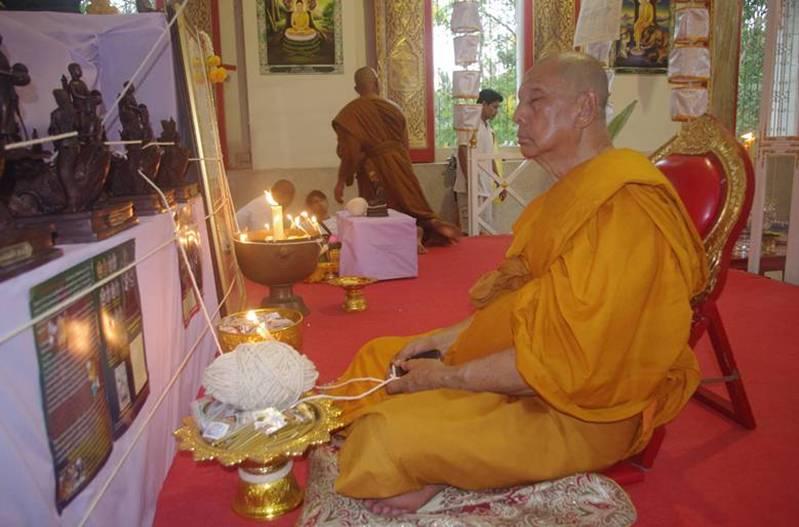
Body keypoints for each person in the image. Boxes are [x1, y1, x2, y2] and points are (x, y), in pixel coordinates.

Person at [327, 52, 708, 517]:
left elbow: (569, 362)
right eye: (520, 101)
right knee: (380, 357)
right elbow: (522, 305)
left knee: (384, 435)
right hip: (530, 370)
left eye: (536, 100)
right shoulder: (572, 193)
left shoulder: (623, 210)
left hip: (582, 410)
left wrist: (447, 378)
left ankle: (437, 467)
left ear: (585, 109)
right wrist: (439, 341)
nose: (517, 114)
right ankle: (443, 446)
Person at [332, 67, 460, 248]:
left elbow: (350, 152)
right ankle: (427, 224)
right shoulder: (395, 108)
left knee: (381, 210)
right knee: (409, 203)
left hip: (373, 169)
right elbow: (404, 145)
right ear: (377, 84)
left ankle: (403, 237)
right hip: (399, 163)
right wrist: (403, 168)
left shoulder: (350, 113)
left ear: (356, 89)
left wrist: (341, 181)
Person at [454, 88, 503, 234]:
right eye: (494, 107)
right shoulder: (469, 124)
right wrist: (470, 180)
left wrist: (499, 180)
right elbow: (462, 151)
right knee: (469, 230)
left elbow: (490, 156)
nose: (496, 111)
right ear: (483, 104)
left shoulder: (489, 128)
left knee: (485, 229)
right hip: (470, 186)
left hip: (485, 186)